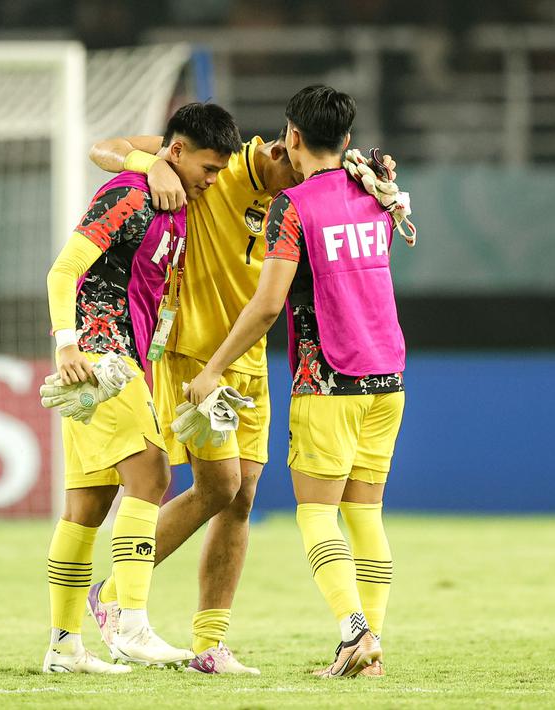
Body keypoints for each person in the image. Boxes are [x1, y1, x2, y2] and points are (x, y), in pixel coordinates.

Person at [187, 85, 407, 679]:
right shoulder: (376, 193)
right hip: (388, 374)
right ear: (348, 139)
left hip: (328, 376)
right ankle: (370, 648)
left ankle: (354, 632)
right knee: (366, 515)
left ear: (292, 136)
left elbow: (266, 305)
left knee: (316, 514)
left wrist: (212, 368)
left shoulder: (293, 205)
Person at [84, 125, 301, 674]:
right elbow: (103, 148)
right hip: (196, 357)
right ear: (284, 147)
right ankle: (114, 594)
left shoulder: (300, 192)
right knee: (219, 485)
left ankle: (210, 645)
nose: (308, 181)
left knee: (241, 496)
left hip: (249, 358)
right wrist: (152, 164)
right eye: (301, 170)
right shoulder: (217, 165)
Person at [41, 102, 240, 674]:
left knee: (87, 505)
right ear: (175, 152)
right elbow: (63, 270)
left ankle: (63, 646)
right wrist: (67, 345)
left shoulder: (174, 202)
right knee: (151, 475)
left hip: (123, 359)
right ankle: (130, 624)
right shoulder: (130, 195)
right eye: (207, 168)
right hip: (101, 356)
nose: (212, 181)